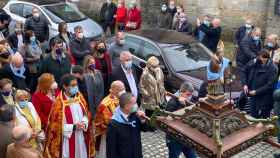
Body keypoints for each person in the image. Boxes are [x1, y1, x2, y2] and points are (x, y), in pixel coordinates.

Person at [44, 74, 95, 158]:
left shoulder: (80, 97)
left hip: (81, 136)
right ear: (65, 86)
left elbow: (87, 113)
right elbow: (55, 127)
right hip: (67, 139)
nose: (76, 87)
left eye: (76, 85)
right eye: (73, 85)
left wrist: (84, 122)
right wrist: (74, 127)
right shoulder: (59, 104)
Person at [106, 92, 150, 158]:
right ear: (126, 106)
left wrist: (143, 121)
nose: (136, 105)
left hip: (136, 154)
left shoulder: (135, 115)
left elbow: (145, 129)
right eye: (134, 103)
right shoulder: (113, 124)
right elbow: (111, 149)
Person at [240, 49, 278, 118]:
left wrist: (256, 92)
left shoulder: (273, 68)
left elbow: (270, 85)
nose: (262, 59)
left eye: (264, 58)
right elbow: (244, 70)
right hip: (253, 96)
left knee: (264, 118)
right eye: (261, 57)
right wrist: (244, 84)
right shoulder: (254, 62)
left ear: (268, 58)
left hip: (265, 98)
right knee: (253, 116)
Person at [94, 80, 125, 158]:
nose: (123, 91)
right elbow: (104, 122)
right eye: (121, 89)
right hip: (109, 135)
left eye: (123, 89)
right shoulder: (105, 104)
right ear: (114, 90)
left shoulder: (120, 98)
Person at [166, 82, 197, 158]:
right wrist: (182, 105)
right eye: (188, 95)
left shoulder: (190, 100)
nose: (190, 97)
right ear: (181, 92)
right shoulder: (172, 103)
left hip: (187, 136)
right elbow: (170, 120)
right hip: (174, 138)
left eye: (191, 95)